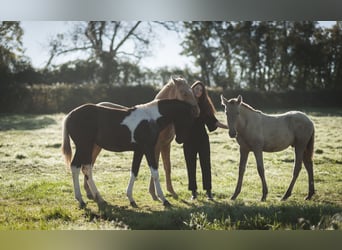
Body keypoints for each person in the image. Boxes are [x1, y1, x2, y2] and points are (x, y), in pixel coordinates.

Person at [183, 81, 228, 201]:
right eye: (196, 89)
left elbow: (214, 122)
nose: (198, 91)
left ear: (203, 93)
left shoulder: (204, 105)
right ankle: (194, 192)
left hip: (202, 139)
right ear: (192, 89)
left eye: (201, 90)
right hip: (188, 140)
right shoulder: (185, 105)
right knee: (190, 166)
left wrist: (228, 127)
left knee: (206, 165)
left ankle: (208, 192)